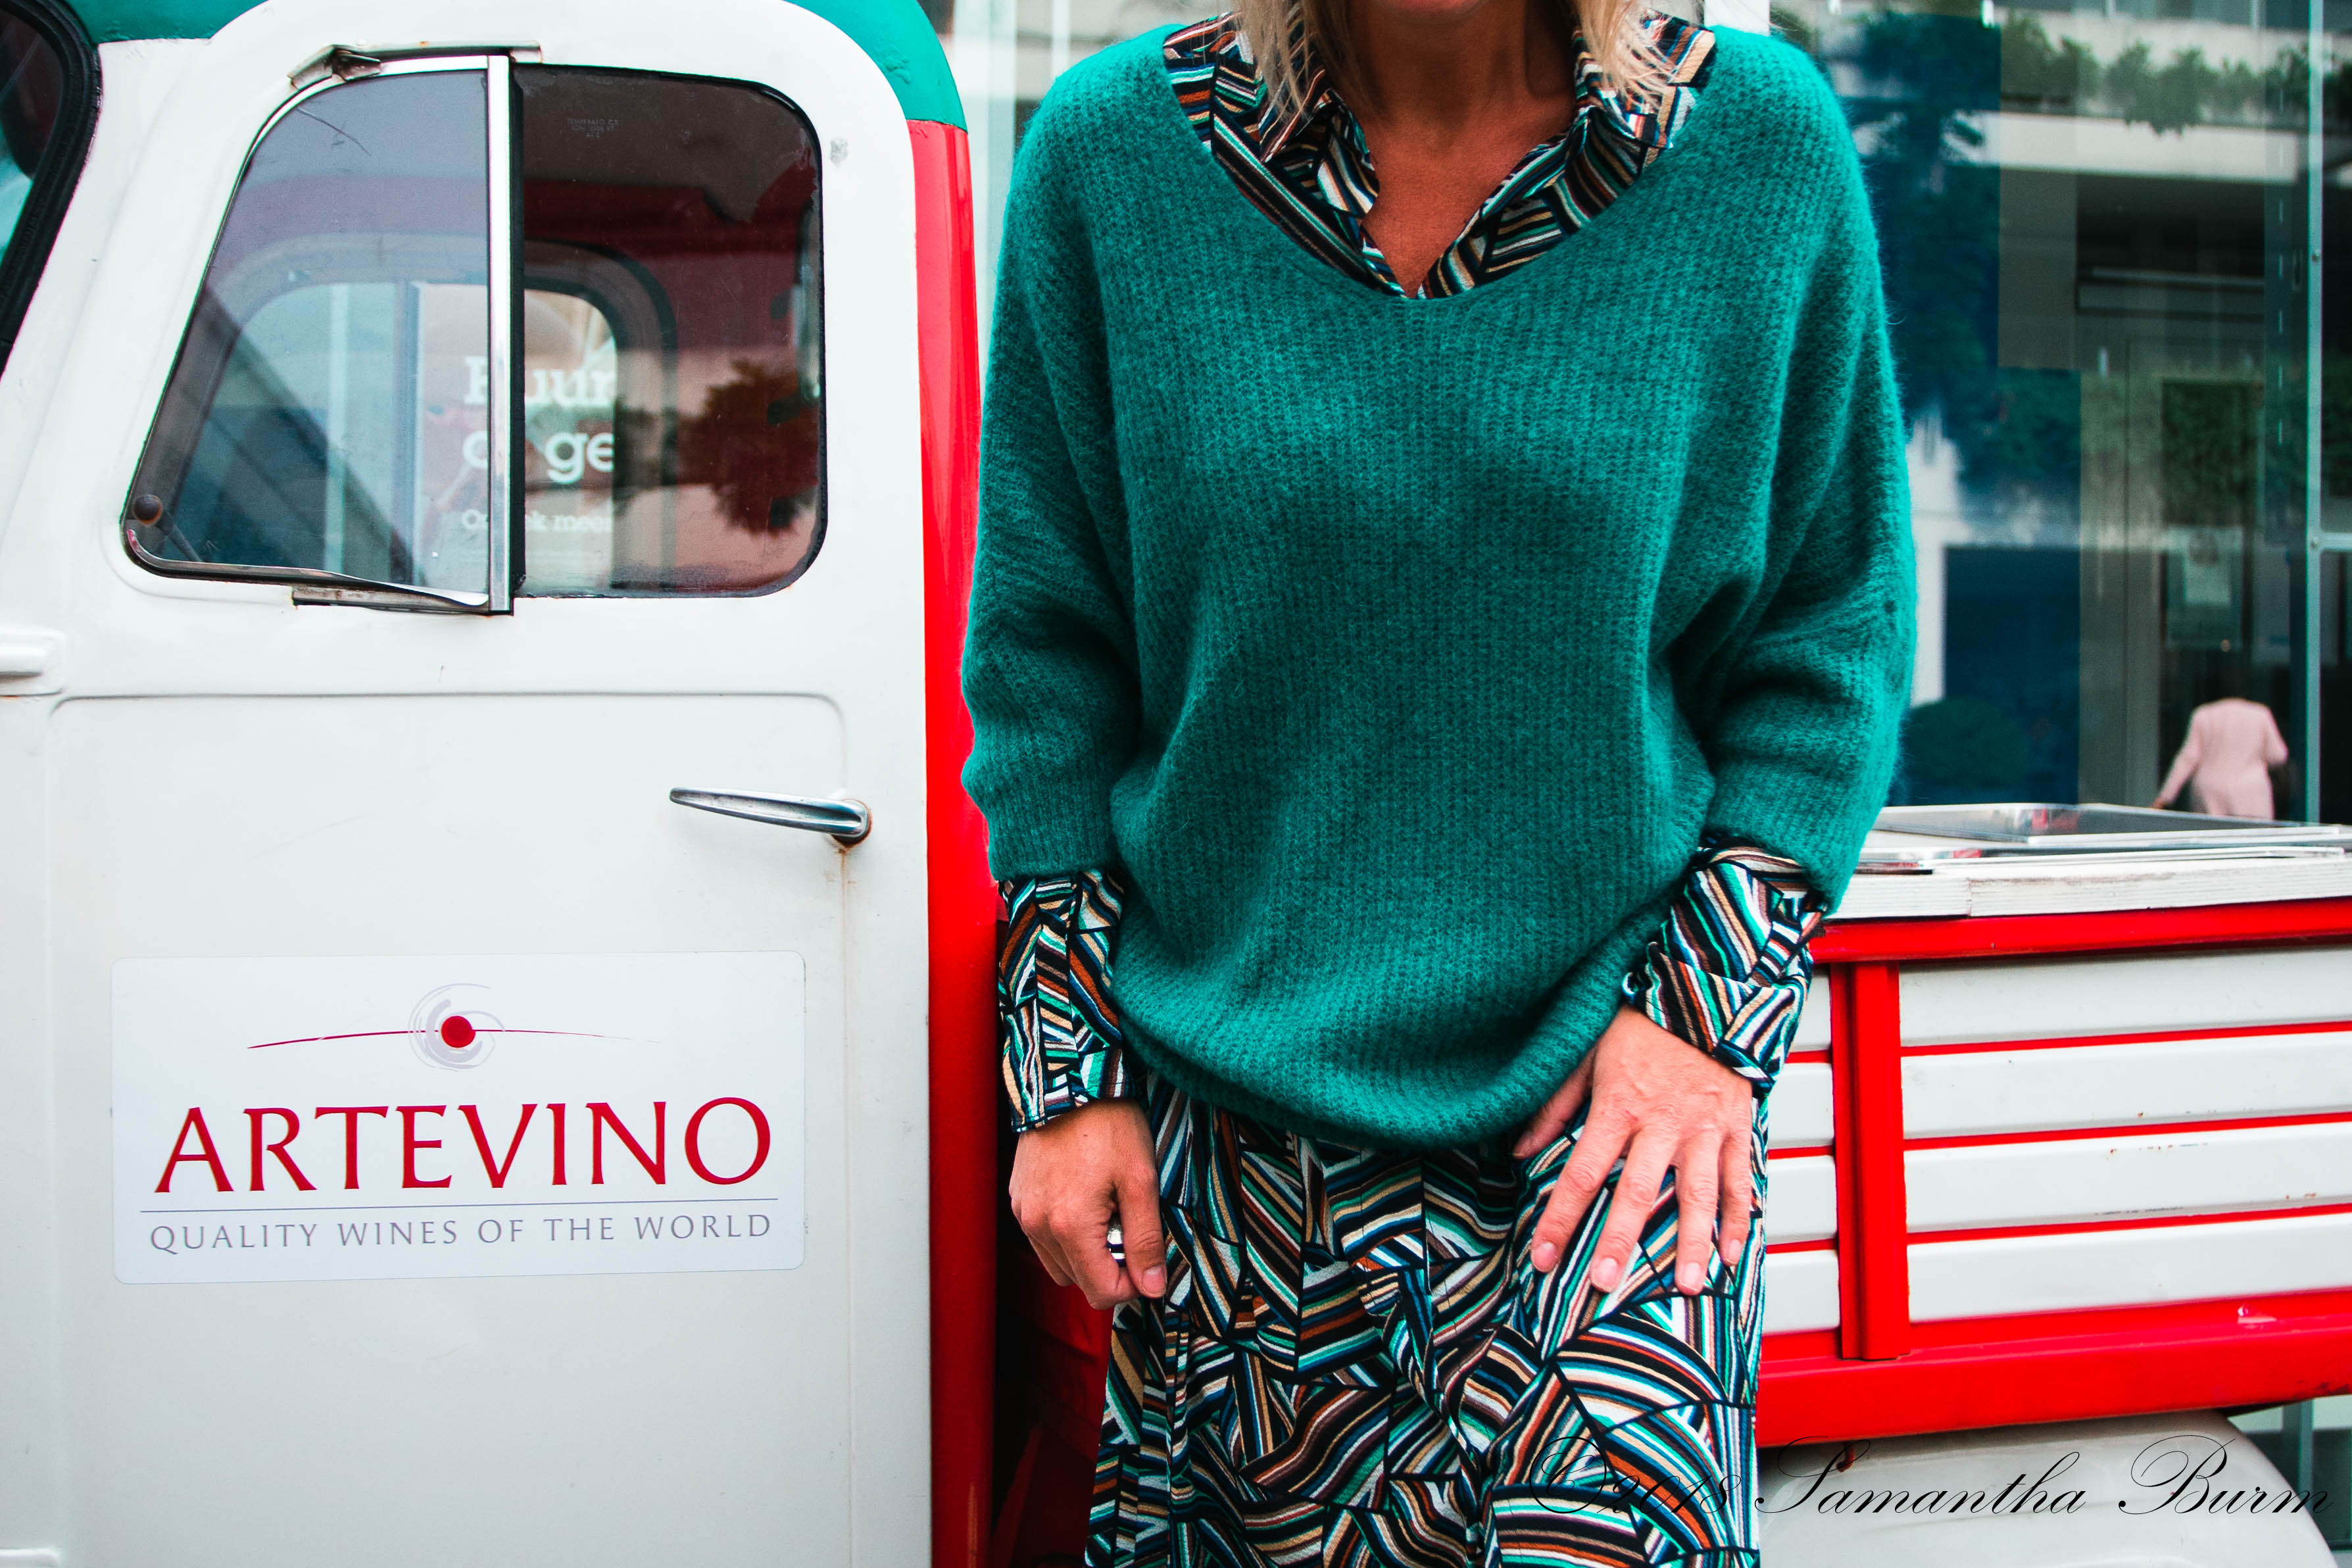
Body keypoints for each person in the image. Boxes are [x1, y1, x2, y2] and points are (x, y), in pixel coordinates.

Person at [961, 0, 1914, 1555]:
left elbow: (1827, 635)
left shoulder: (1755, 148)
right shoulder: (1111, 156)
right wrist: (1063, 1078)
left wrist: (1699, 1029)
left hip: (1607, 1140)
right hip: (1233, 1164)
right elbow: (1048, 662)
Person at [2153, 697, 2291, 821]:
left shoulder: (2203, 715)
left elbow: (2188, 759)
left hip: (2210, 794)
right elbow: (2278, 755)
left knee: (2212, 837)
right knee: (2252, 838)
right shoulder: (2260, 714)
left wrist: (2165, 798)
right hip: (2250, 794)